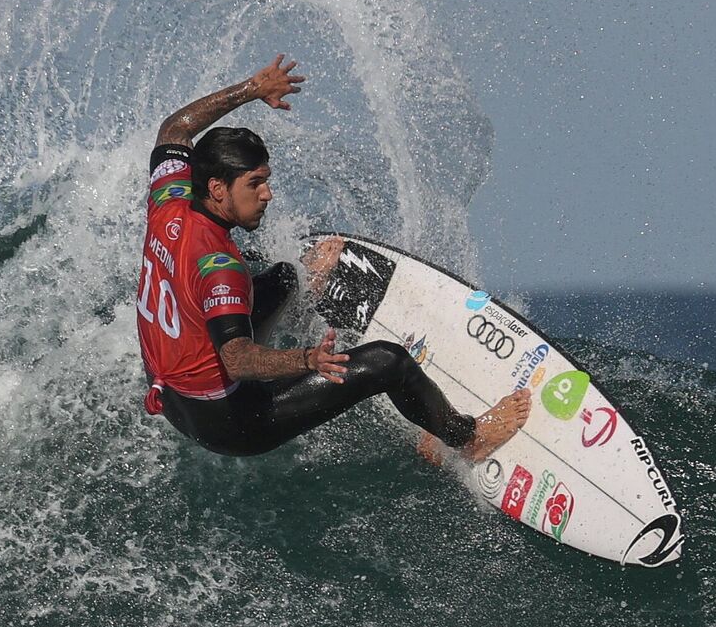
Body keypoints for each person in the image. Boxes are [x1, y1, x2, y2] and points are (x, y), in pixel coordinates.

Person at [135, 55, 531, 460]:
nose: (267, 194)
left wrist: (251, 90)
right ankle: (468, 438)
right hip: (230, 422)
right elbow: (236, 360)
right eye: (254, 184)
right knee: (388, 362)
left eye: (266, 181)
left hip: (170, 394)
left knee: (287, 278)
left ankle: (306, 290)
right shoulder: (221, 269)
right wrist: (310, 360)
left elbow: (175, 128)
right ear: (218, 188)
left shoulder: (169, 198)